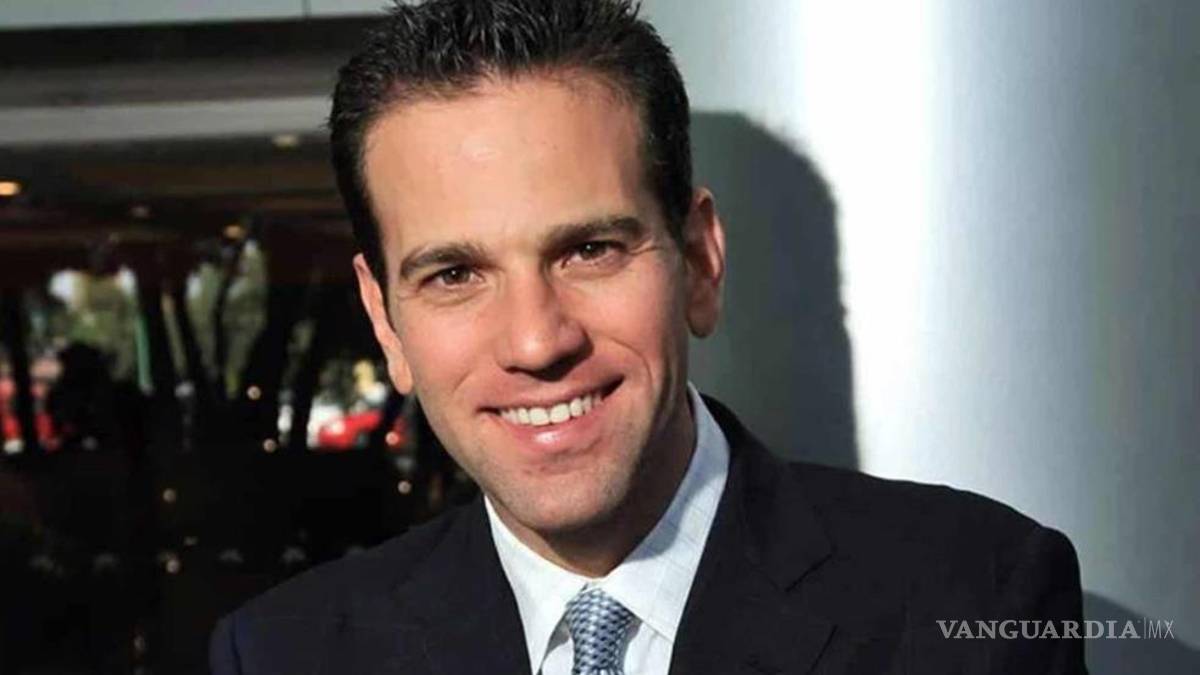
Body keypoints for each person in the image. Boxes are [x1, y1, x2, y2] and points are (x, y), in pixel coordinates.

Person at [210, 1, 1086, 673]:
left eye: (590, 250)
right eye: (454, 274)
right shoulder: (286, 654)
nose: (536, 341)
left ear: (699, 261)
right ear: (385, 320)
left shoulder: (975, 598)